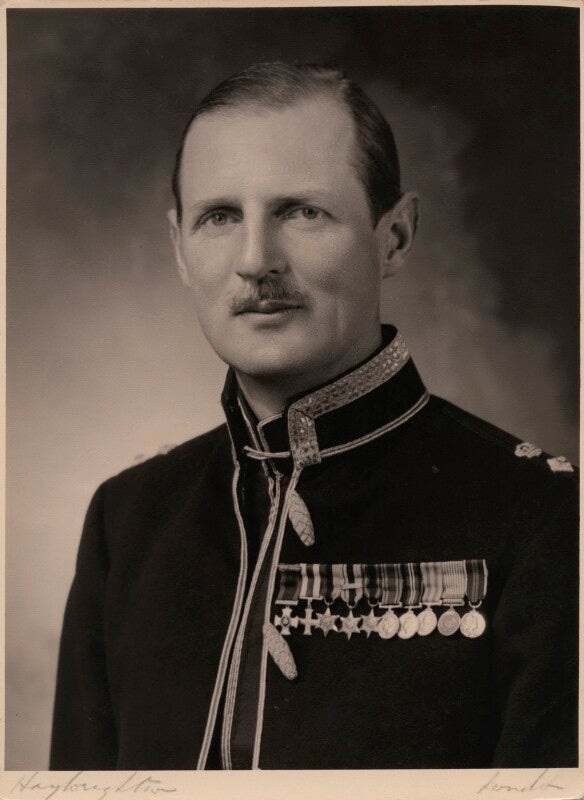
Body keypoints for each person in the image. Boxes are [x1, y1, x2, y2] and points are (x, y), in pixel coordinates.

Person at [50, 62, 578, 771]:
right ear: (179, 248)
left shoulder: (545, 516)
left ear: (395, 237)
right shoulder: (125, 522)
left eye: (302, 212)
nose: (256, 261)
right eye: (220, 217)